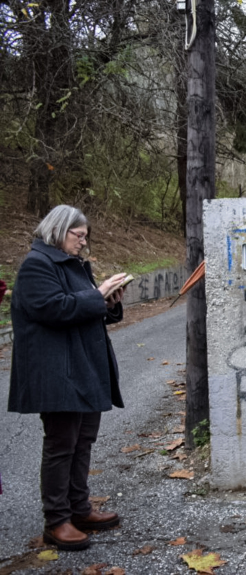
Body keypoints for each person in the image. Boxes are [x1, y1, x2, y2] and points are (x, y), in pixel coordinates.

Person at [7, 205, 129, 551]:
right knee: (61, 444)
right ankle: (57, 520)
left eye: (85, 236)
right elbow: (54, 309)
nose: (84, 242)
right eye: (79, 235)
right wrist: (97, 294)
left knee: (83, 439)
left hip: (84, 366)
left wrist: (109, 303)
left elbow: (84, 308)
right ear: (59, 230)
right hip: (57, 370)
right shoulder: (37, 265)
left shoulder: (72, 264)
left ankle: (79, 508)